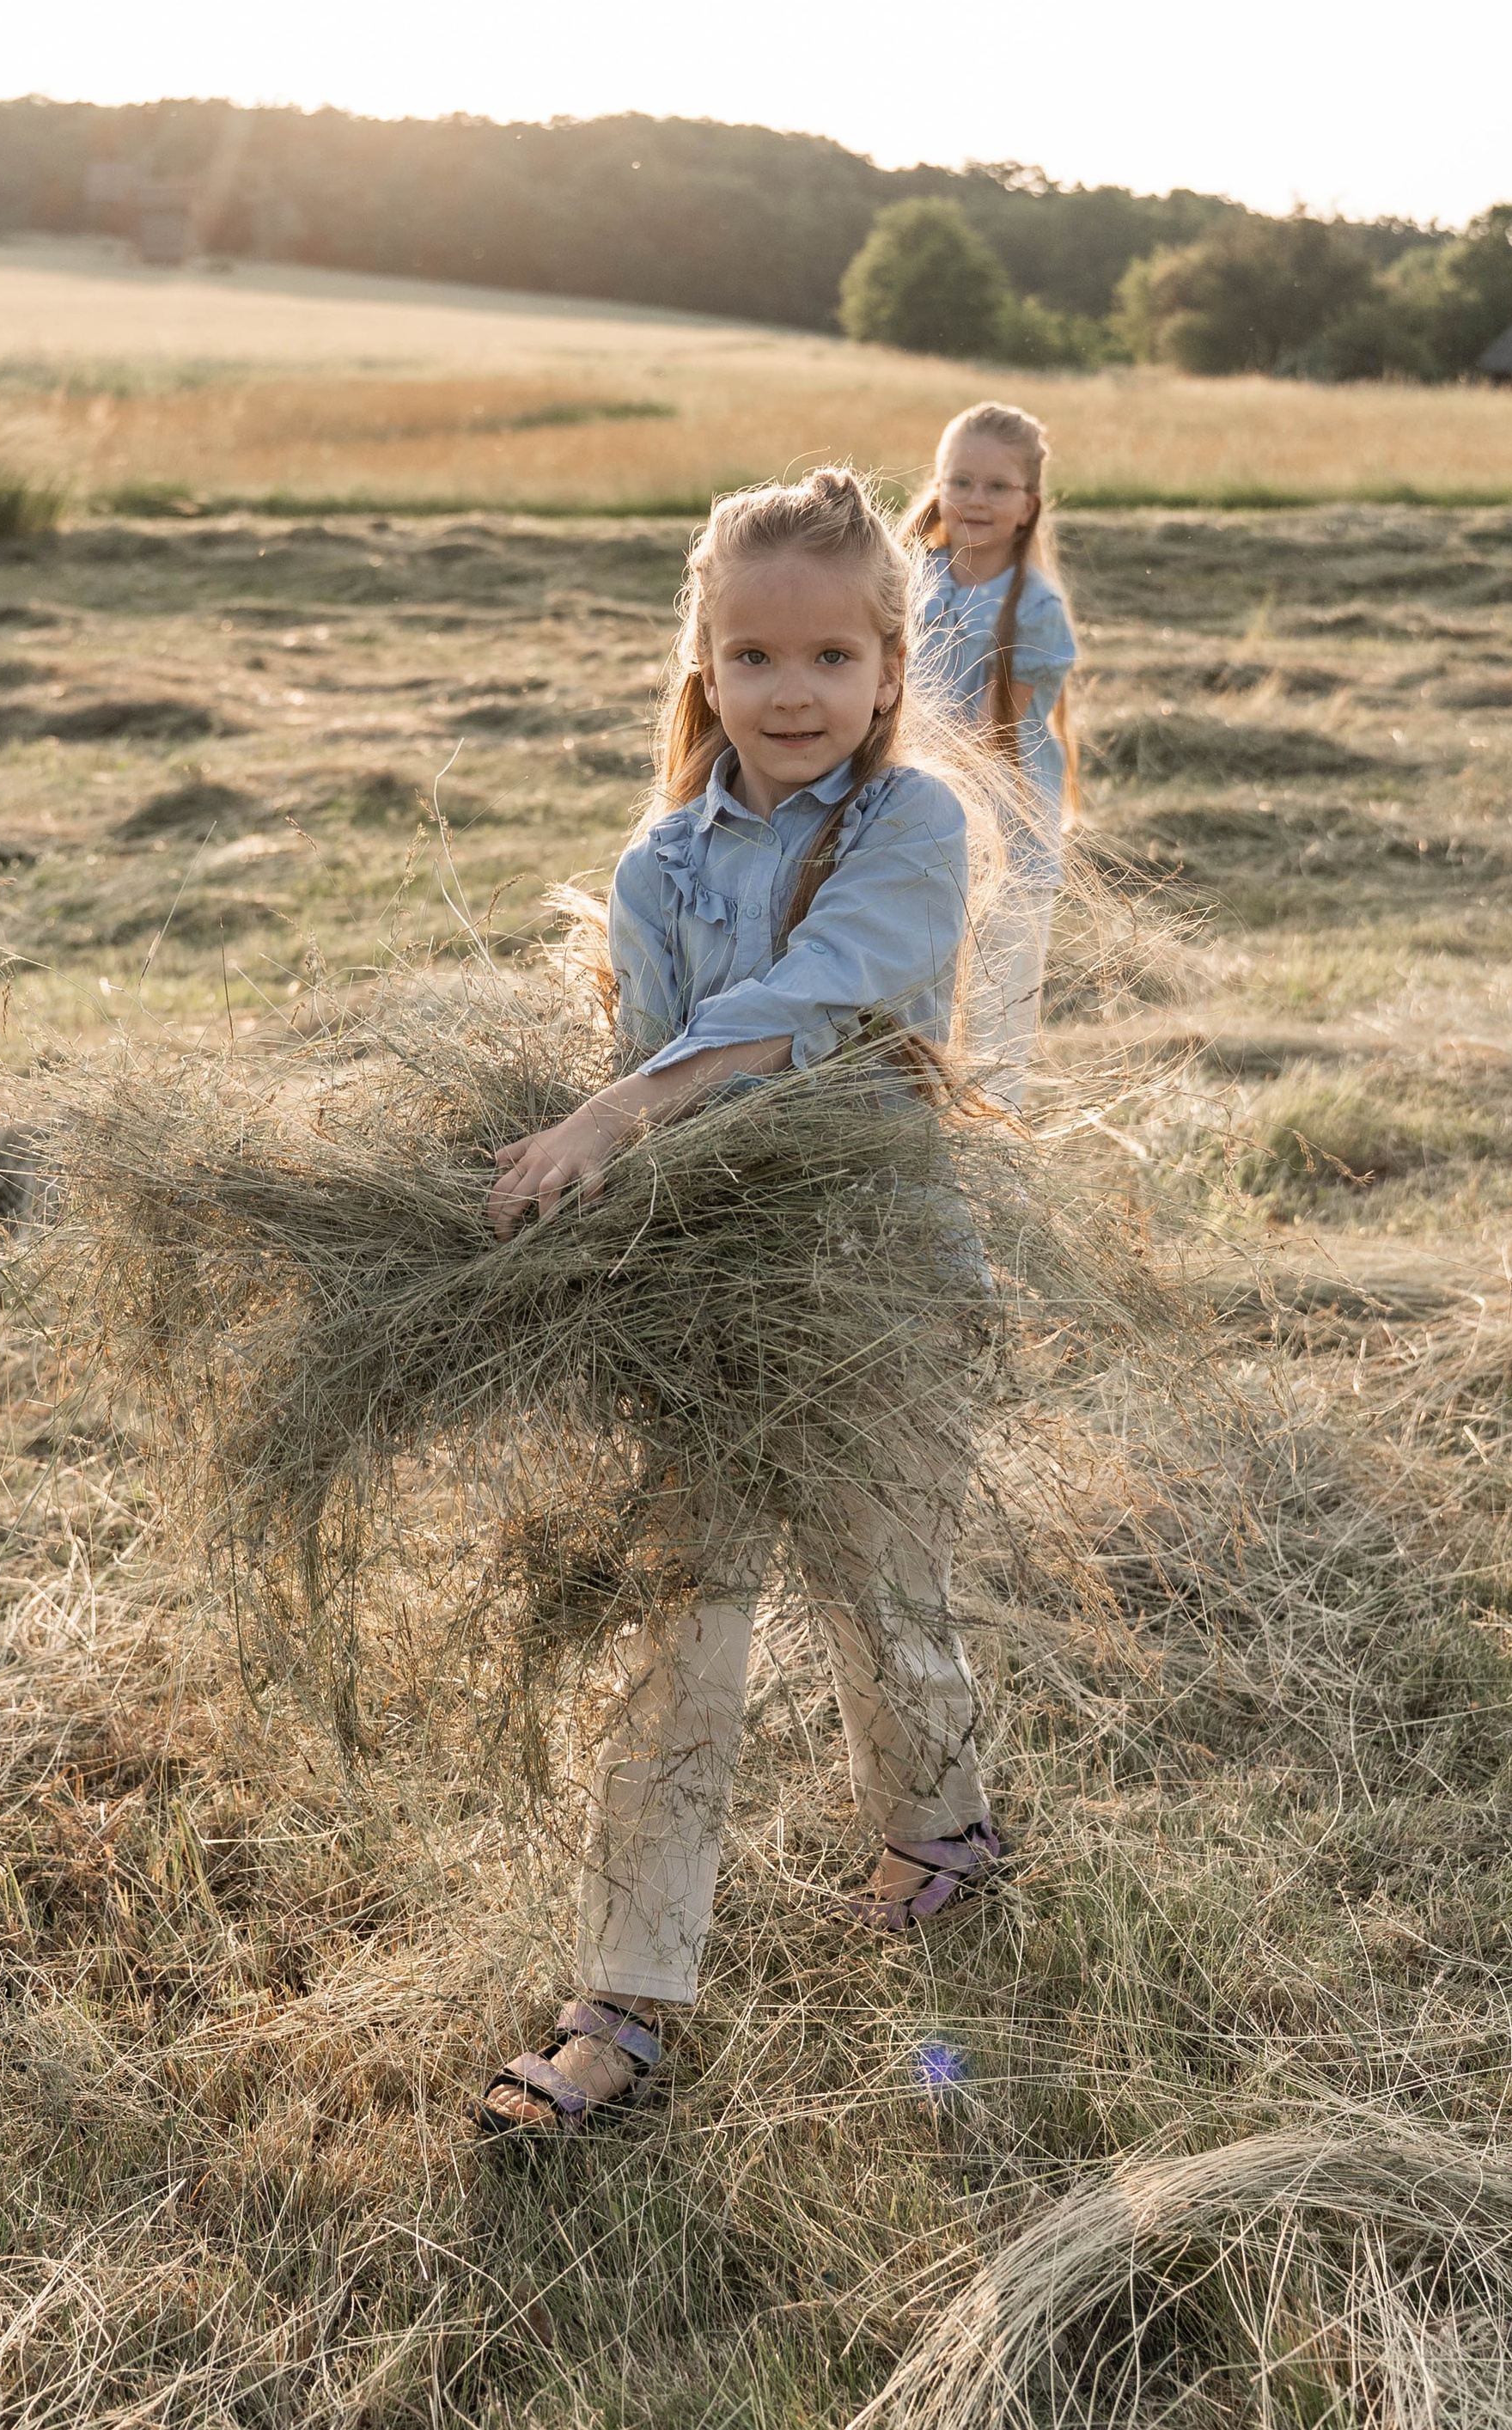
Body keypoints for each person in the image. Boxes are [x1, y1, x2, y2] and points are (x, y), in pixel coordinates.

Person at [477, 466, 1005, 2139]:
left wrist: (617, 1114)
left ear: (884, 671)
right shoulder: (656, 860)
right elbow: (632, 1057)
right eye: (754, 657)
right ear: (702, 663)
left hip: (877, 1284)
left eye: (829, 659)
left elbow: (808, 1000)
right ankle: (624, 2000)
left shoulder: (918, 829)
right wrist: (577, 1157)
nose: (792, 692)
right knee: (678, 1633)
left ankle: (939, 1836)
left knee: (879, 1588)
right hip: (706, 1304)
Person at [901, 401, 1081, 1114]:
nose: (976, 499)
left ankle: (995, 1161)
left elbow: (987, 739)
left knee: (996, 1017)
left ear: (1029, 504)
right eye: (961, 480)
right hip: (913, 819)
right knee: (920, 1004)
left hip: (1003, 836)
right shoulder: (912, 575)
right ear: (938, 484)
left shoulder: (1032, 606)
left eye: (997, 487)